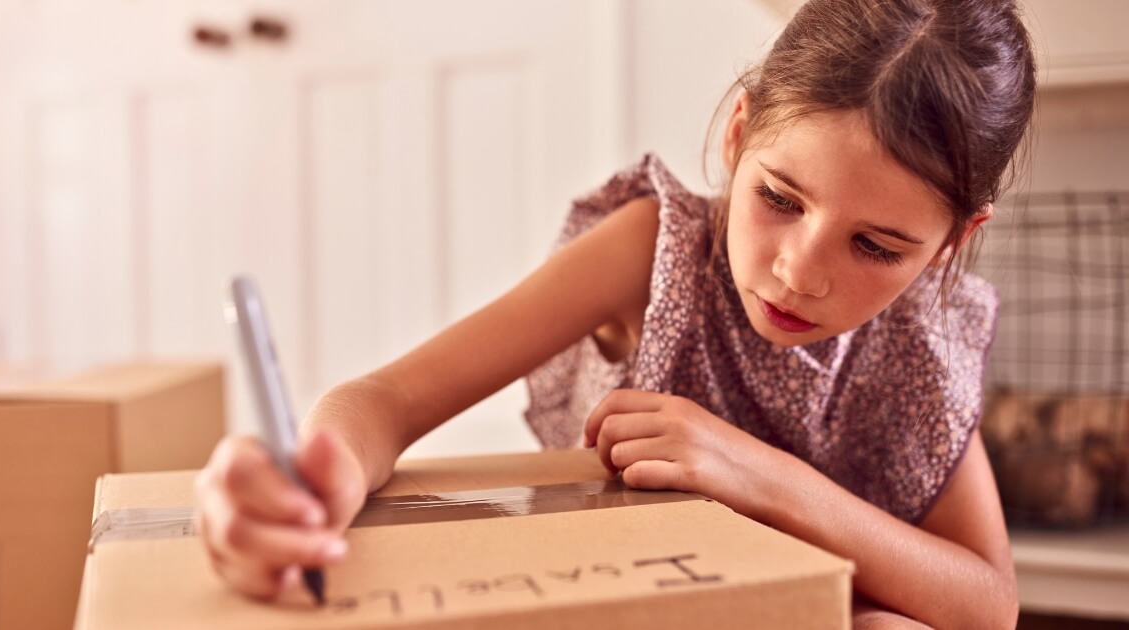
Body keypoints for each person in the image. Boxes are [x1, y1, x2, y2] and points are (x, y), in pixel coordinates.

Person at [194, 0, 1036, 627]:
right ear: (738, 136)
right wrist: (318, 476)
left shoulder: (925, 332)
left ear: (952, 241)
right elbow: (384, 402)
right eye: (779, 198)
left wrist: (759, 475)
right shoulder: (655, 254)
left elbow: (989, 602)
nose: (797, 273)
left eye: (877, 247)